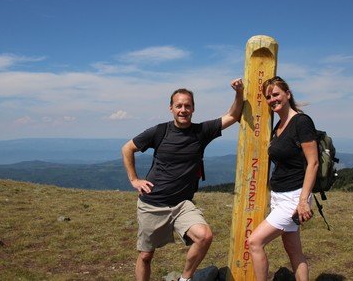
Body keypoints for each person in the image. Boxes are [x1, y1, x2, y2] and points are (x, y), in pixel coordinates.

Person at [121, 78, 244, 281]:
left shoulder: (201, 132)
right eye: (179, 105)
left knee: (204, 236)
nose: (183, 110)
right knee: (145, 255)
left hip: (182, 205)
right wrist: (134, 180)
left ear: (193, 108)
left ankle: (185, 279)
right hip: (153, 203)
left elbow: (233, 115)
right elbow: (128, 148)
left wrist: (238, 93)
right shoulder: (160, 131)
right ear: (171, 108)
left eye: (187, 106)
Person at [248, 76, 318, 281]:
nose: (272, 99)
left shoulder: (301, 122)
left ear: (287, 94)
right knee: (293, 251)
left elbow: (312, 163)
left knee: (255, 242)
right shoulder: (278, 126)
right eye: (268, 97)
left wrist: (303, 201)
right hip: (280, 196)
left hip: (294, 197)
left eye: (276, 94)